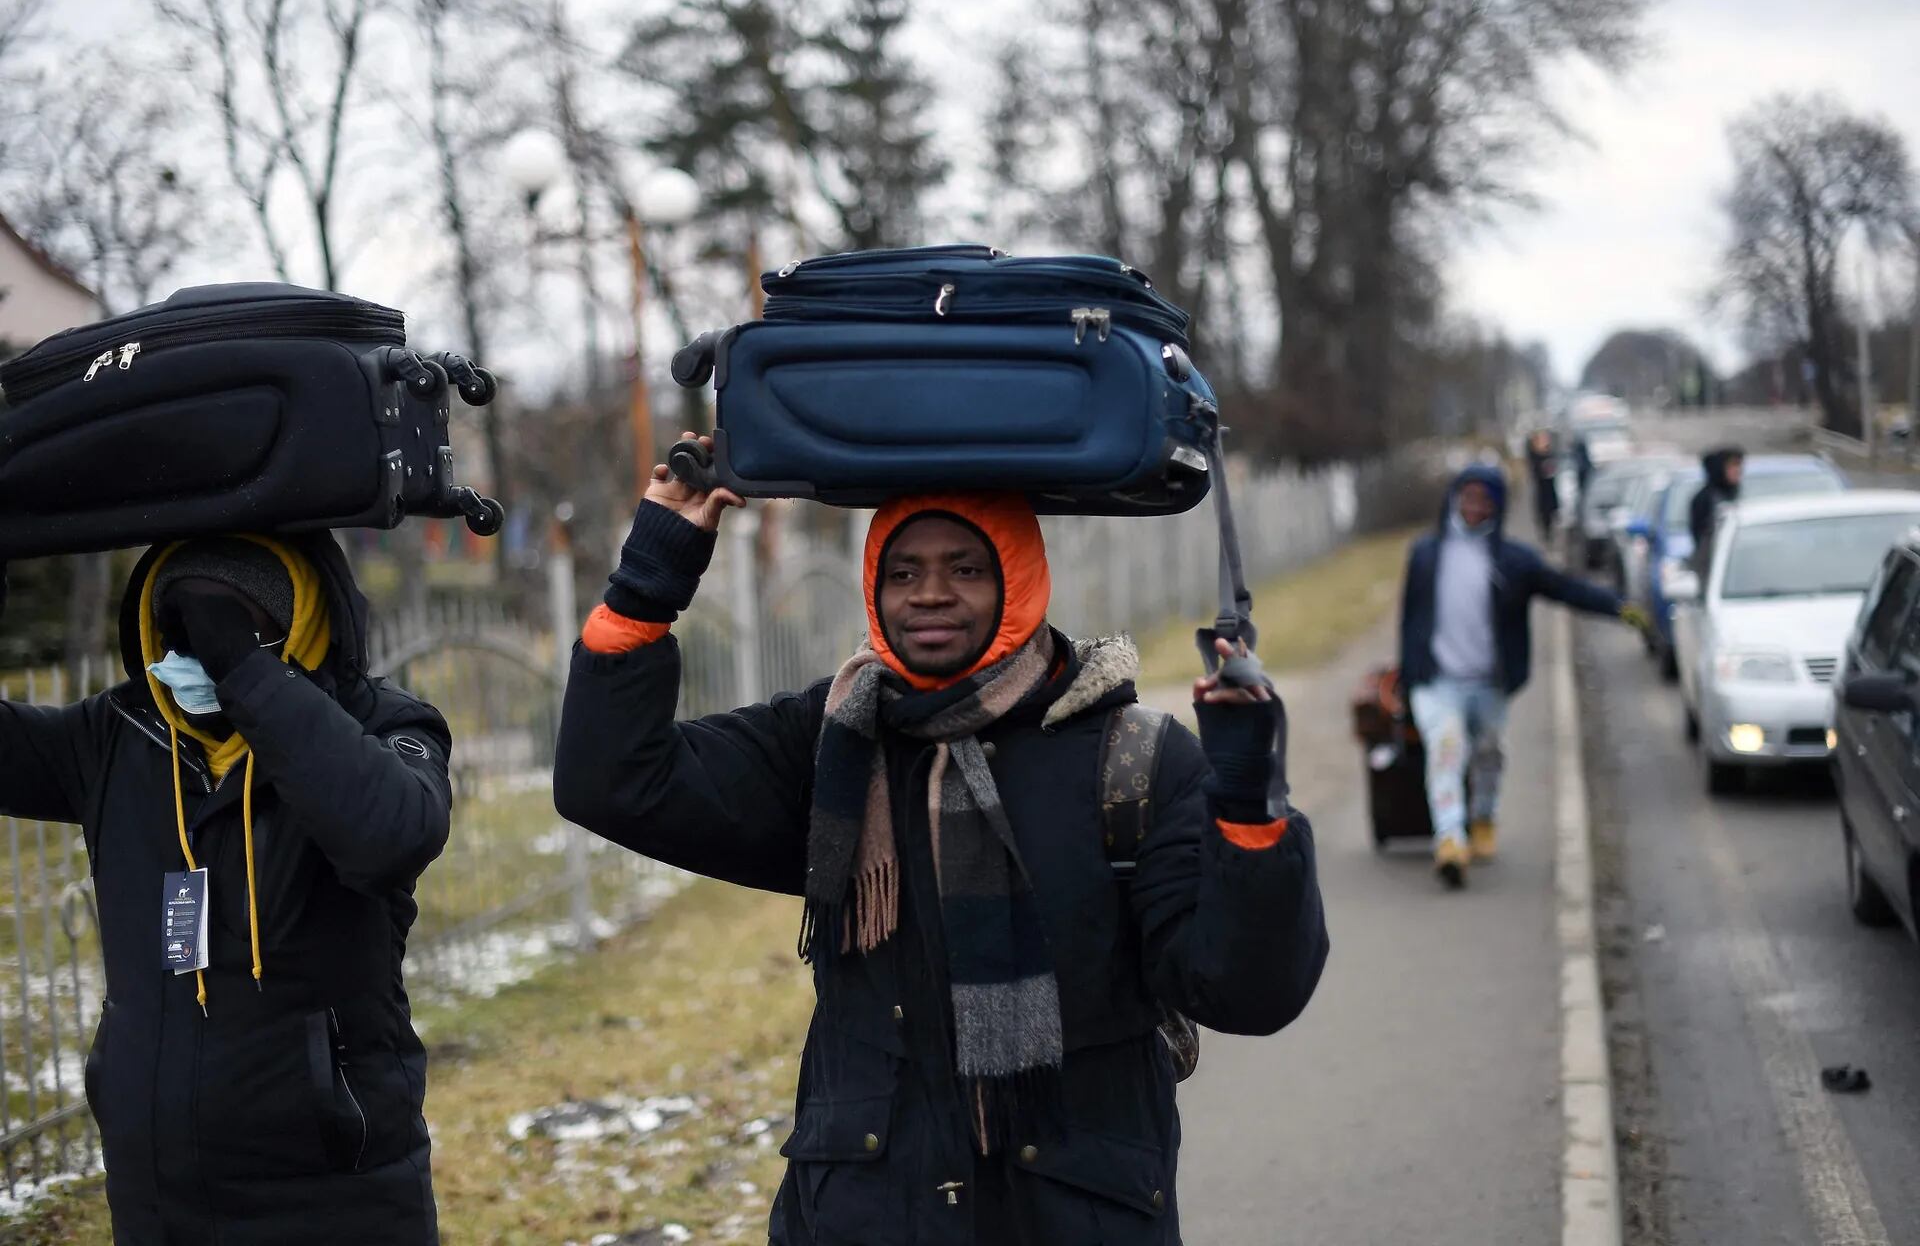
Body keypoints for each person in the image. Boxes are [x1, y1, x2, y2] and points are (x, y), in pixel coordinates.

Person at [555, 436, 1328, 1245]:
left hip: (1071, 1217)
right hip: (867, 1214)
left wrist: (1249, 808)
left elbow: (1248, 992)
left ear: (1017, 580)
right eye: (903, 571)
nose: (929, 595)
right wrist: (653, 572)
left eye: (965, 569)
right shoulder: (834, 742)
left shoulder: (1131, 760)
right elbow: (611, 782)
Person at [0, 534, 453, 1244]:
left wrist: (244, 671)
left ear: (296, 627)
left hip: (337, 1188)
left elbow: (390, 837)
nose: (196, 659)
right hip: (160, 1191)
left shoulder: (381, 726)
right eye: (178, 632)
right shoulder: (114, 737)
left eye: (227, 632)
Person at [1399, 464, 1648, 888]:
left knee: (1489, 753)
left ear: (1497, 505)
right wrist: (1407, 679)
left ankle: (1483, 818)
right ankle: (1450, 842)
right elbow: (1410, 622)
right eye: (1468, 496)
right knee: (1447, 749)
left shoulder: (1514, 562)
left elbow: (1566, 589)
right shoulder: (1426, 554)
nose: (1475, 506)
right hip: (1437, 681)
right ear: (1455, 498)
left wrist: (1619, 607)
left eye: (1485, 499)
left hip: (1489, 682)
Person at [1688, 446, 1745, 573]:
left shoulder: (1737, 494)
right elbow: (1701, 539)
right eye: (1732, 466)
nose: (1737, 470)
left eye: (1739, 465)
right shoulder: (1704, 499)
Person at [1524, 428, 1561, 539]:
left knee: (1551, 512)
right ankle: (1546, 533)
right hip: (1542, 491)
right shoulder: (1535, 456)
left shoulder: (1550, 453)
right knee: (1544, 513)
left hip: (1550, 489)